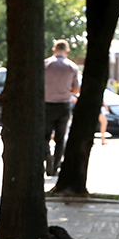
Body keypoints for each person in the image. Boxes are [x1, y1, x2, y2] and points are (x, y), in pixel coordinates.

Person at [44, 39, 80, 176]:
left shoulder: (45, 64)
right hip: (64, 105)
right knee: (60, 138)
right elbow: (76, 89)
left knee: (44, 136)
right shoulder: (72, 67)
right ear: (67, 51)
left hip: (47, 104)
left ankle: (47, 154)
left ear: (54, 49)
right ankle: (55, 167)